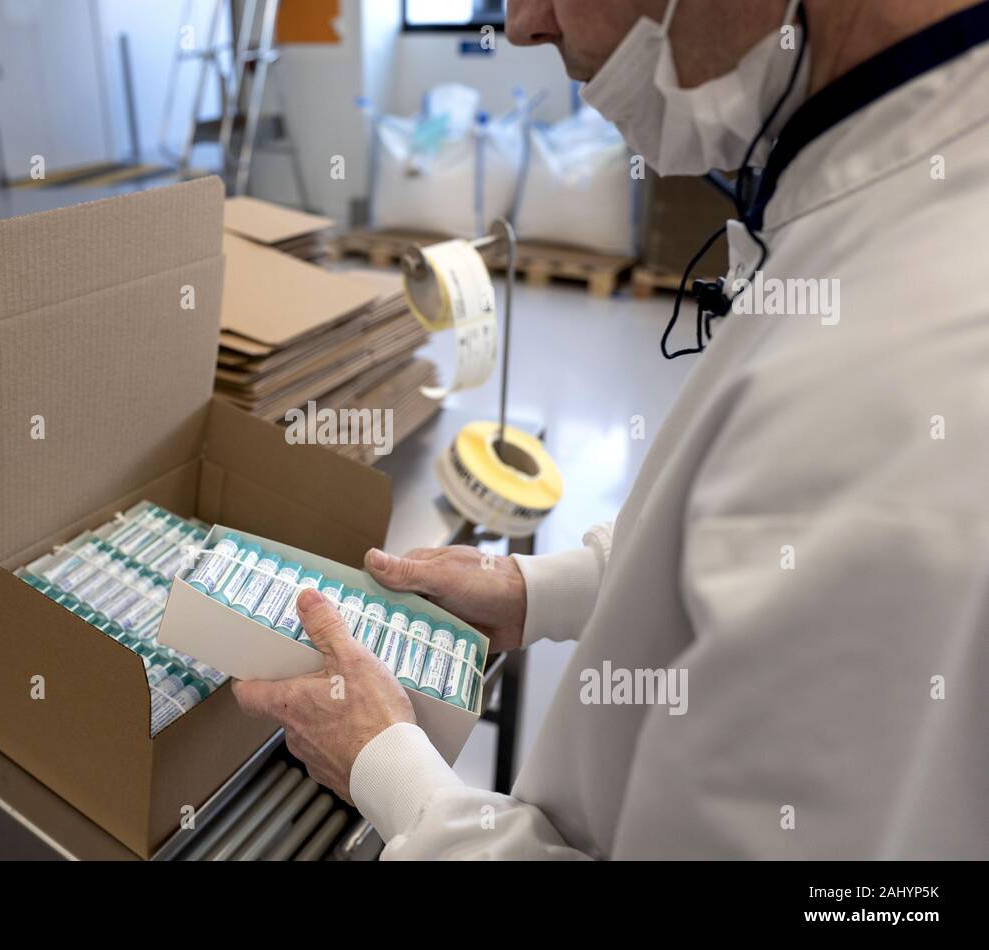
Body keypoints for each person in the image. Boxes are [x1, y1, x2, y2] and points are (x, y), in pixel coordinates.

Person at [233, 0, 989, 859]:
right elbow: (733, 555)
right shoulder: (879, 203)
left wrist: (393, 771)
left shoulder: (895, 377)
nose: (521, 25)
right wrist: (541, 590)